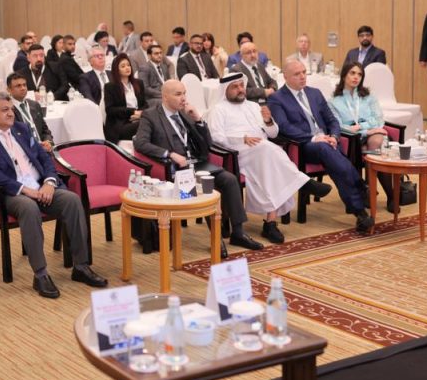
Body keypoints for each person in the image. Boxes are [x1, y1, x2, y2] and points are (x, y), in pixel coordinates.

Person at [0, 92, 108, 297]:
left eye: (11, 109)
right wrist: (24, 190)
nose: (11, 113)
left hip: (41, 186)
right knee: (29, 207)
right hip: (11, 192)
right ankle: (41, 274)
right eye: (5, 110)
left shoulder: (21, 129)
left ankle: (81, 266)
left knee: (72, 200)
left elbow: (44, 158)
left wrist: (49, 182)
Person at [133, 80, 261, 252]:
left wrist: (199, 120)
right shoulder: (151, 116)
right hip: (175, 168)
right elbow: (140, 143)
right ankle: (216, 239)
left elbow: (207, 144)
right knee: (205, 187)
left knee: (230, 180)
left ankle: (238, 232)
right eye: (178, 94)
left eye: (184, 93)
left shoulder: (186, 113)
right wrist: (169, 154)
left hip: (197, 163)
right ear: (165, 97)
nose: (183, 98)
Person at [208, 74, 330, 244]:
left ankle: (271, 222)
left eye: (242, 85)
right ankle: (301, 183)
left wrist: (268, 121)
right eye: (235, 87)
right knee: (269, 151)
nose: (240, 89)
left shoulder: (253, 106)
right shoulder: (218, 109)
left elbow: (273, 133)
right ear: (225, 90)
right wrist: (242, 139)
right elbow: (216, 138)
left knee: (270, 163)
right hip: (237, 154)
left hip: (263, 153)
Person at [269, 60, 374, 233]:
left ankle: (360, 213)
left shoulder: (315, 93)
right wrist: (315, 138)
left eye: (304, 72)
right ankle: (360, 187)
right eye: (297, 74)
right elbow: (285, 127)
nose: (302, 76)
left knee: (335, 162)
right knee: (329, 152)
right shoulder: (277, 99)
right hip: (304, 146)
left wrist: (334, 136)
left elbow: (332, 120)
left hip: (327, 143)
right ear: (285, 77)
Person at [329, 61, 395, 209]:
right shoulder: (334, 102)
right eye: (352, 73)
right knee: (370, 148)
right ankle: (378, 193)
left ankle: (383, 194)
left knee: (376, 142)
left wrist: (362, 128)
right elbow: (338, 126)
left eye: (359, 74)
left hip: (372, 136)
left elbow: (378, 119)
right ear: (344, 75)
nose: (356, 77)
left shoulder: (369, 97)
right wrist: (365, 130)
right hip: (351, 140)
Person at [104, 53, 147, 142]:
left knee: (153, 120)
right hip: (120, 124)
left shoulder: (138, 83)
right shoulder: (110, 86)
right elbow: (110, 110)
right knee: (145, 124)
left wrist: (141, 113)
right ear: (117, 70)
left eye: (128, 65)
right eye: (123, 66)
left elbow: (145, 104)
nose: (127, 68)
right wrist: (132, 112)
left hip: (139, 118)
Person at [7, 73, 53, 152]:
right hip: (24, 152)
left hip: (43, 150)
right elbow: (12, 138)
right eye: (18, 86)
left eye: (24, 85)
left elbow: (45, 130)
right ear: (9, 90)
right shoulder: (8, 110)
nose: (23, 88)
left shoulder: (34, 105)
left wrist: (48, 142)